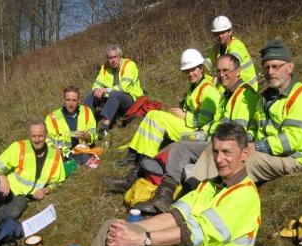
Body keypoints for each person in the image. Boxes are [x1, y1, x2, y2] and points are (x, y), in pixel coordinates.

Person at [77, 123, 261, 246]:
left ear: (244, 154)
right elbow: (175, 216)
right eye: (215, 151)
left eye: (227, 152)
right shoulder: (210, 185)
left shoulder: (244, 196)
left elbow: (191, 235)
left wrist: (141, 238)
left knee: (130, 245)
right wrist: (131, 227)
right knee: (113, 227)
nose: (219, 159)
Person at [105, 54, 259, 214]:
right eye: (219, 71)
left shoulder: (238, 95)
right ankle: (138, 177)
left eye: (226, 70)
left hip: (219, 141)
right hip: (212, 137)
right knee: (168, 145)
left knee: (178, 146)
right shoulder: (226, 95)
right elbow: (218, 124)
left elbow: (233, 132)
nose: (221, 75)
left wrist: (198, 130)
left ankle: (164, 195)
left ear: (238, 72)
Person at [190, 39, 302, 183]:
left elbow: (293, 139)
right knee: (218, 148)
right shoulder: (264, 97)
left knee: (238, 161)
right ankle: (191, 189)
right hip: (264, 152)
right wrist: (238, 141)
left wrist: (257, 146)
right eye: (266, 68)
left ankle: (217, 195)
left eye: (275, 66)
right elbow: (253, 128)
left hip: (290, 157)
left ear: (290, 67)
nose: (270, 72)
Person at [118, 48, 221, 165]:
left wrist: (184, 116)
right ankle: (134, 154)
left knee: (157, 119)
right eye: (187, 71)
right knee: (152, 114)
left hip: (199, 134)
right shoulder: (195, 85)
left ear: (201, 68)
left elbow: (203, 120)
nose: (190, 74)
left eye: (193, 70)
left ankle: (144, 163)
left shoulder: (208, 90)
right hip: (191, 126)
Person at [0, 120, 65, 223]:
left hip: (20, 196)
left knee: (14, 211)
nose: (37, 140)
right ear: (29, 136)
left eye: (40, 136)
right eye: (33, 136)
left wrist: (45, 190)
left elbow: (58, 181)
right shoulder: (19, 147)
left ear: (46, 136)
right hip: (4, 186)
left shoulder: (55, 156)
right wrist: (2, 177)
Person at [83, 44, 144, 142]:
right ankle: (87, 126)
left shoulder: (129, 65)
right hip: (111, 99)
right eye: (110, 58)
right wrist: (96, 90)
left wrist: (105, 90)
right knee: (90, 96)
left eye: (115, 57)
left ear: (120, 56)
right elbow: (97, 83)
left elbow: (125, 87)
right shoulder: (105, 67)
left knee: (115, 94)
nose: (113, 60)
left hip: (130, 99)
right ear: (107, 58)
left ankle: (104, 128)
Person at [45, 85, 98, 166]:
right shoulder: (51, 118)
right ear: (63, 100)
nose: (70, 104)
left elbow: (93, 133)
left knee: (86, 158)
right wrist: (70, 136)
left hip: (83, 150)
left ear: (79, 101)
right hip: (62, 153)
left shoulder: (87, 111)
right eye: (68, 100)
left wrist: (87, 136)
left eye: (74, 100)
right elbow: (49, 140)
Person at [205, 15, 258, 92]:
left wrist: (213, 85)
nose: (220, 36)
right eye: (217, 34)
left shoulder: (236, 46)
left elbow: (229, 67)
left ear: (230, 32)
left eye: (222, 33)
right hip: (232, 87)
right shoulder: (216, 49)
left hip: (247, 88)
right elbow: (204, 67)